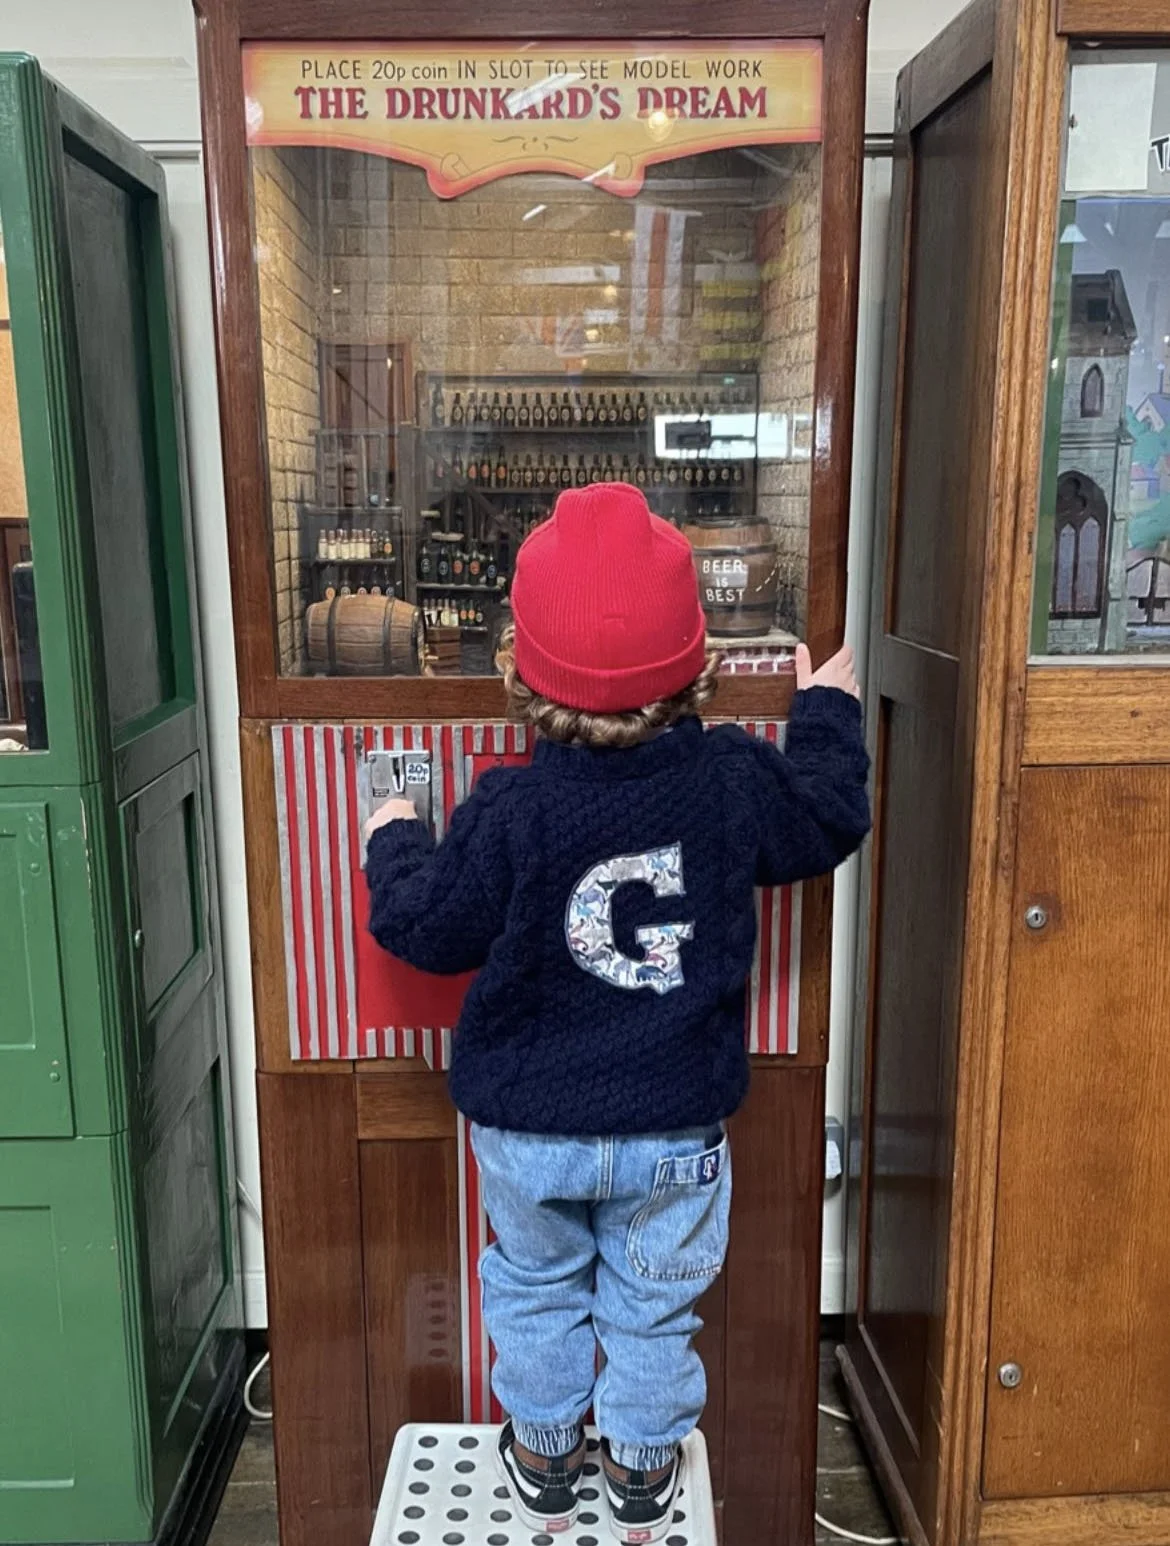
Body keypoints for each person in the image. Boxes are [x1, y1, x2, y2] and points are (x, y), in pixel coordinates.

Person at [364, 482, 869, 1545]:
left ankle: (545, 1457)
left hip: (529, 1132)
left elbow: (423, 925)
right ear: (701, 662)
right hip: (674, 1128)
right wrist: (826, 709)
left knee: (535, 1288)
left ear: (517, 667)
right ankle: (641, 1475)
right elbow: (828, 816)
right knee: (653, 1306)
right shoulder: (730, 782)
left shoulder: (510, 810)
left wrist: (394, 828)